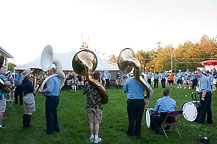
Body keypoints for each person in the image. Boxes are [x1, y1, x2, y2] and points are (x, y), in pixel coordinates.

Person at [123, 71, 153, 137]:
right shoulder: (144, 81)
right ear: (140, 74)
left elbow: (124, 91)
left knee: (131, 118)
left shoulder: (129, 81)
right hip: (140, 101)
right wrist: (148, 100)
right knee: (139, 118)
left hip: (132, 101)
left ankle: (130, 133)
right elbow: (151, 91)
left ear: (133, 73)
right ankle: (137, 133)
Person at [38, 67, 61, 135]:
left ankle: (50, 130)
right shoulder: (57, 78)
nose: (47, 71)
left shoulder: (51, 79)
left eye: (49, 70)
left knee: (49, 114)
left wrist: (41, 91)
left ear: (52, 71)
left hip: (51, 99)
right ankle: (56, 128)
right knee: (54, 113)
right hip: (56, 97)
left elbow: (49, 90)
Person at [83, 72, 104, 143]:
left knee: (91, 121)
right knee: (97, 122)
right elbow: (105, 96)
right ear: (99, 77)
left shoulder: (88, 84)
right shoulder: (100, 85)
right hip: (98, 106)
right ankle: (96, 137)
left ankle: (91, 136)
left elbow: (83, 92)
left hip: (89, 105)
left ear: (93, 77)